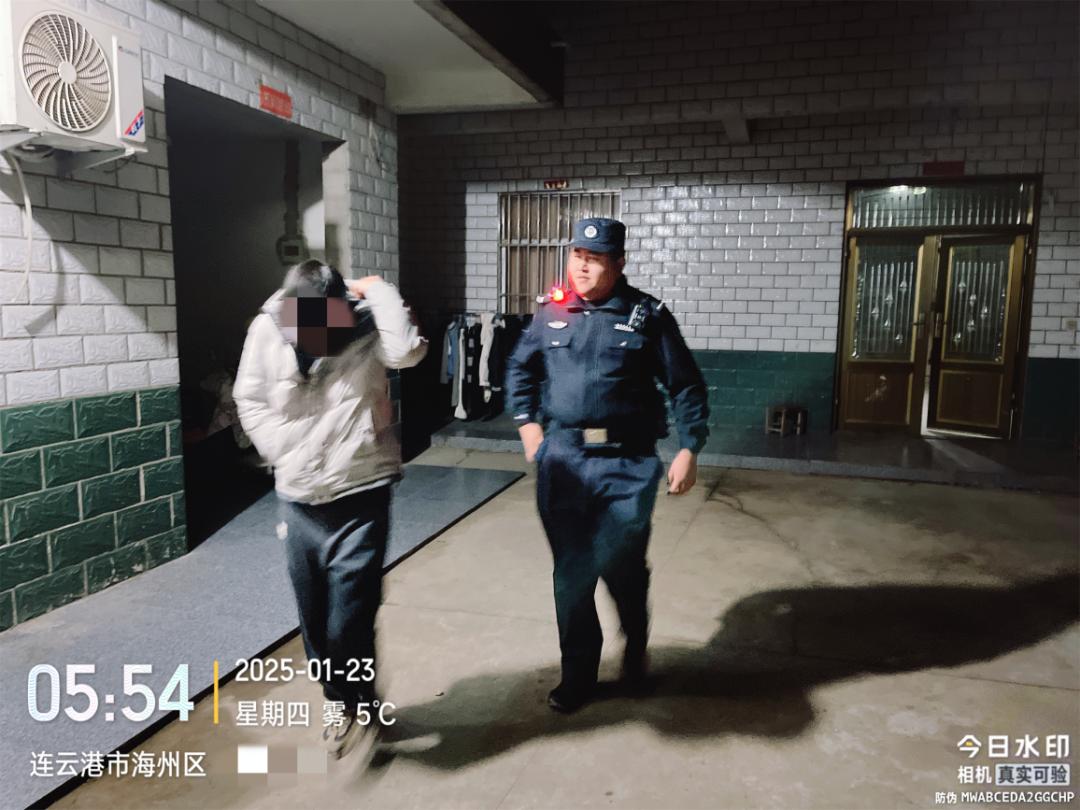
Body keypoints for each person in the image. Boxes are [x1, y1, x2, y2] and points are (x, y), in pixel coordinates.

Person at [506, 218, 709, 713]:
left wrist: (690, 447)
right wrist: (527, 424)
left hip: (627, 463)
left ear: (618, 264)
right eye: (577, 255)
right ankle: (578, 675)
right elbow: (520, 368)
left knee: (622, 567)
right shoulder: (551, 312)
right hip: (565, 460)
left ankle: (635, 648)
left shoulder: (648, 316)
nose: (581, 267)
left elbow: (685, 384)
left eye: (594, 259)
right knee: (571, 573)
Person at [234, 259, 427, 757]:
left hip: (361, 490)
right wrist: (287, 451)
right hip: (299, 499)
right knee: (315, 618)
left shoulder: (367, 326)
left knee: (351, 615)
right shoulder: (268, 329)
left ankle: (355, 699)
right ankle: (343, 698)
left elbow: (407, 351)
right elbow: (249, 398)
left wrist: (380, 289)